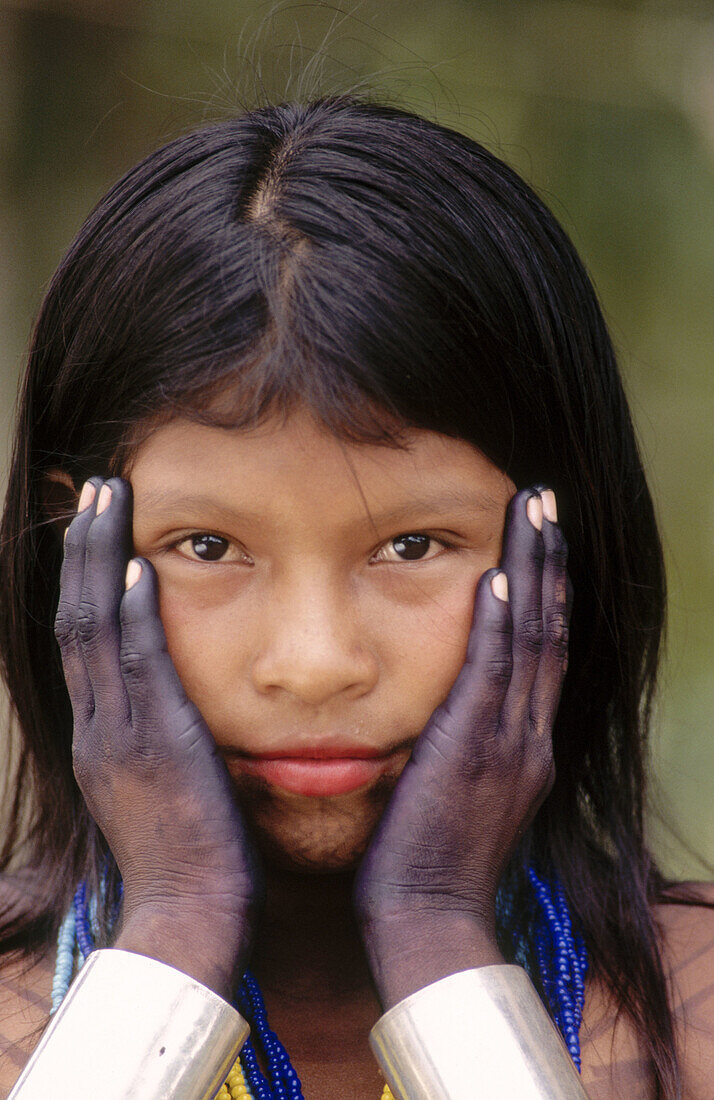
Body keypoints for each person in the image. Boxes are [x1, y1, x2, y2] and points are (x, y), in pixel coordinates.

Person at [0, 94, 711, 1100]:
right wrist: (171, 930)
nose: (316, 658)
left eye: (412, 544)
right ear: (71, 553)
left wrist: (436, 938)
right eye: (208, 545)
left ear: (562, 540)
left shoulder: (694, 1011)